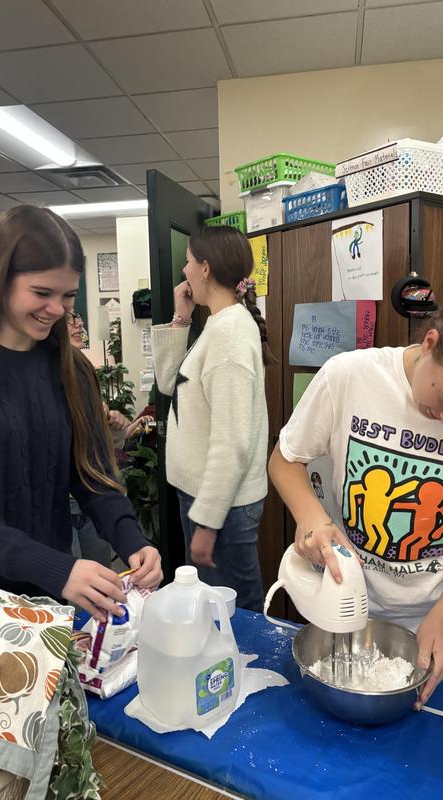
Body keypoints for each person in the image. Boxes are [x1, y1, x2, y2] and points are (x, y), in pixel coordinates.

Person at [269, 288, 443, 704]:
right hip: (348, 616)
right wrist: (311, 517)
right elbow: (285, 460)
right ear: (430, 343)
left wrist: (442, 619)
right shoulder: (349, 376)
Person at [0, 205, 162, 621]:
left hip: (42, 599)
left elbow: (92, 476)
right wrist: (56, 568)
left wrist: (132, 540)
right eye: (42, 293)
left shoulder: (70, 367)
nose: (57, 309)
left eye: (68, 295)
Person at [151, 225, 273, 612]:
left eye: (187, 261)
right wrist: (181, 319)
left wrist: (207, 524)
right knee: (216, 609)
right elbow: (170, 383)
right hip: (207, 497)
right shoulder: (218, 326)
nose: (184, 271)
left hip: (222, 505)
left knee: (233, 613)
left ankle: (245, 673)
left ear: (205, 268)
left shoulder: (231, 334)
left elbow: (232, 442)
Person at [65, 310, 154, 566]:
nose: (80, 322)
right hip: (63, 506)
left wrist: (116, 428)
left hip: (94, 498)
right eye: (71, 318)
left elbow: (105, 448)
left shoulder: (81, 370)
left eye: (77, 316)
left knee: (101, 576)